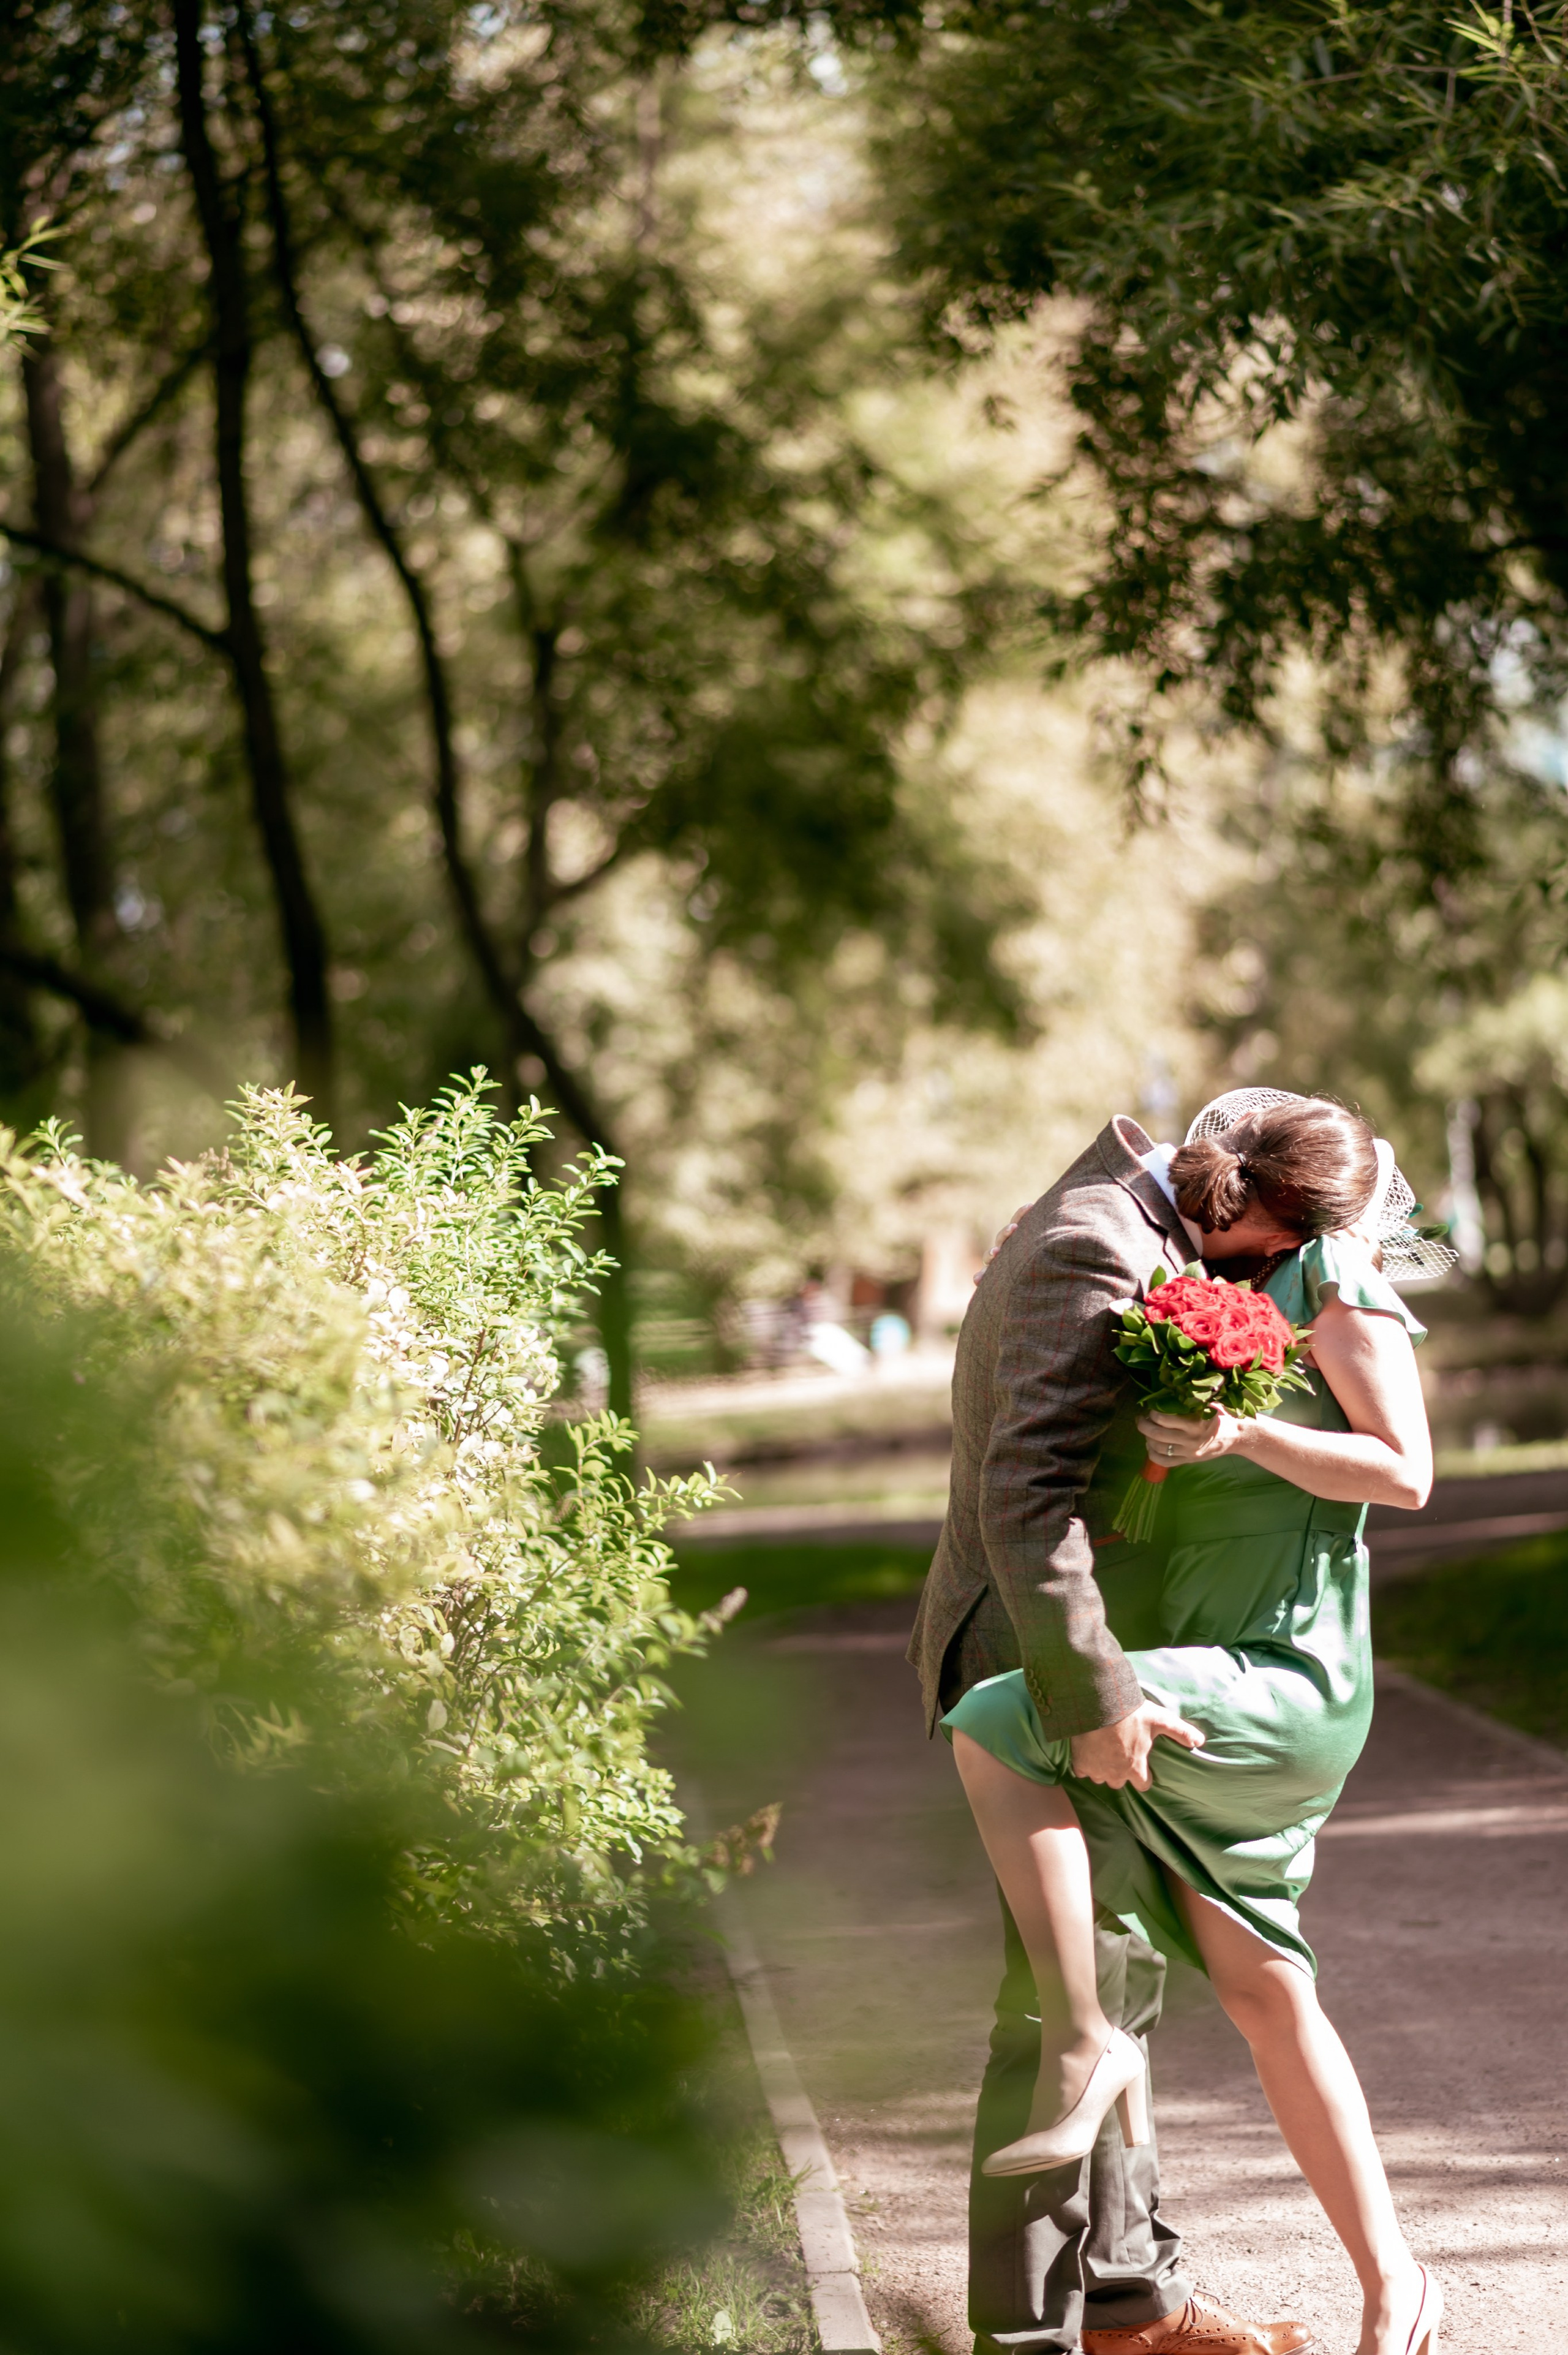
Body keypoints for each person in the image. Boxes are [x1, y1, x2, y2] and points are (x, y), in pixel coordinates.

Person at [909, 1091, 1446, 2355]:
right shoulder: (1097, 1238)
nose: (1249, 1268)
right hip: (1065, 1645)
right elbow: (1028, 1495)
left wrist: (1241, 1434)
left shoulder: (1222, 1253)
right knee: (1079, 2002)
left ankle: (1123, 2298)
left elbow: (1402, 1467)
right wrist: (1094, 1686)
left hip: (1211, 1651)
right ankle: (1045, 2327)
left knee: (1124, 1987)